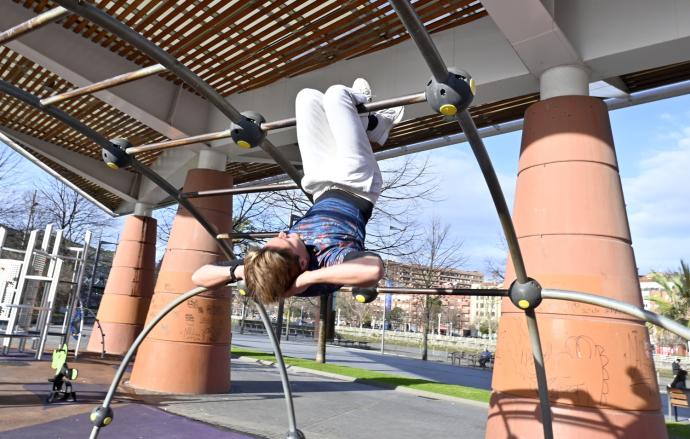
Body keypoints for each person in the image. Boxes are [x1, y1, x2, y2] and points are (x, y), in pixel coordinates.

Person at [192, 79, 404, 303]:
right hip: (357, 184)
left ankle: (373, 126)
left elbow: (199, 275)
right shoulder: (327, 261)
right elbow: (373, 270)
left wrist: (241, 271)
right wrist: (306, 280)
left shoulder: (268, 267)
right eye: (287, 240)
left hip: (320, 186)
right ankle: (370, 119)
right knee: (336, 94)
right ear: (303, 262)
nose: (283, 233)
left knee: (308, 97)